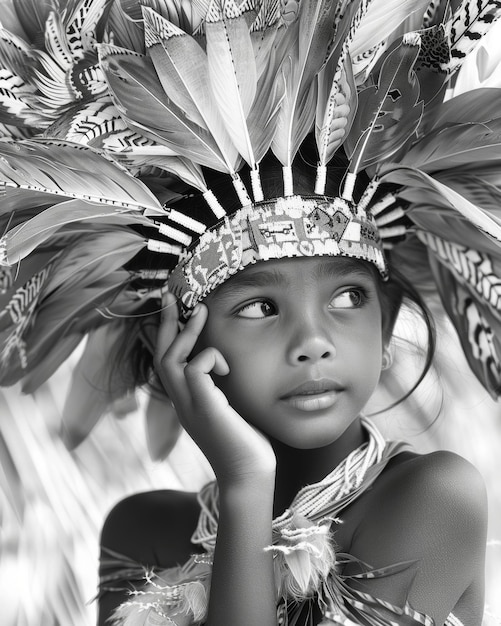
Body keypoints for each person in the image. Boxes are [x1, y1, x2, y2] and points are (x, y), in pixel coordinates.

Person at [0, 1, 499, 625]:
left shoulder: (432, 497)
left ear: (387, 317)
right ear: (176, 340)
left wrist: (244, 483)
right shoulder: (141, 531)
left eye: (349, 297)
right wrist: (245, 485)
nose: (313, 340)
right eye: (260, 305)